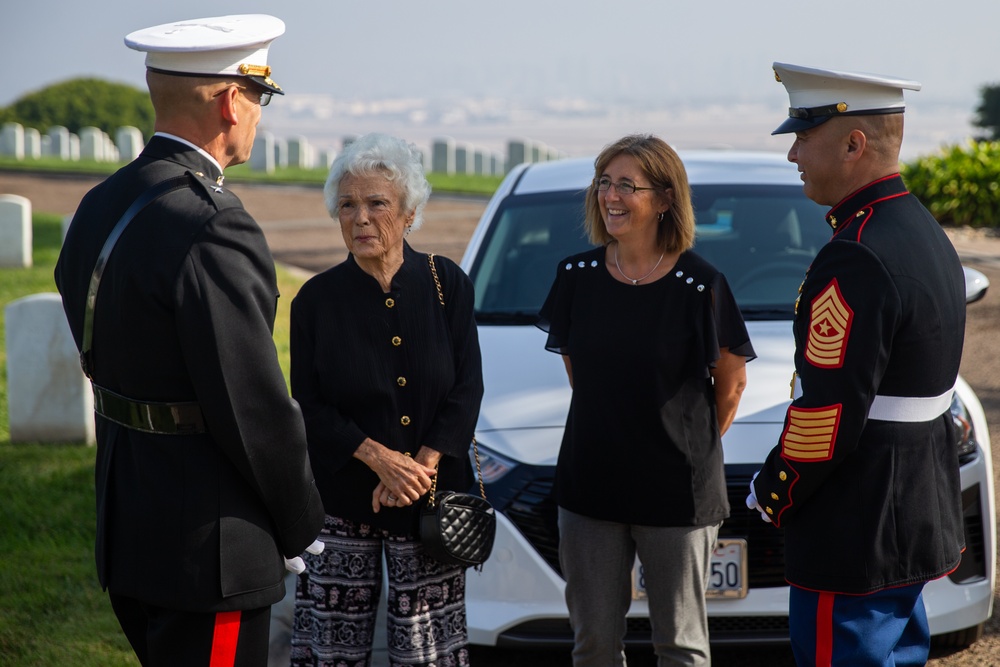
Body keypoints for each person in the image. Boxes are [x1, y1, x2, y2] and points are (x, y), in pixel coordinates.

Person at [53, 14, 326, 666]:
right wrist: (300, 523)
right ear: (232, 101)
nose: (259, 115)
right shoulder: (212, 224)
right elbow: (253, 404)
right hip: (210, 551)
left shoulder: (102, 201)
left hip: (131, 524)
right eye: (259, 97)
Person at [747, 63, 967, 666]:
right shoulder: (921, 229)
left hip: (857, 524)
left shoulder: (857, 253)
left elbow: (827, 411)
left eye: (802, 136)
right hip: (912, 507)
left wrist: (777, 488)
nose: (792, 153)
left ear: (854, 143)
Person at [537, 134, 755, 667]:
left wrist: (677, 445)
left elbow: (730, 386)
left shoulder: (700, 285)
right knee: (593, 647)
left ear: (663, 199)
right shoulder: (576, 277)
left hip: (678, 493)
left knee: (679, 647)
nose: (610, 195)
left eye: (626, 185)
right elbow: (583, 375)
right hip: (590, 488)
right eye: (604, 182)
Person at [288, 132, 484, 667]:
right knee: (332, 649)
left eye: (377, 203)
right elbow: (306, 404)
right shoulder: (316, 301)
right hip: (342, 500)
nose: (361, 218)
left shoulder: (448, 284)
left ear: (409, 212)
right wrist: (377, 458)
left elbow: (468, 388)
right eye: (347, 205)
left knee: (429, 651)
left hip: (430, 497)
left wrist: (418, 468)